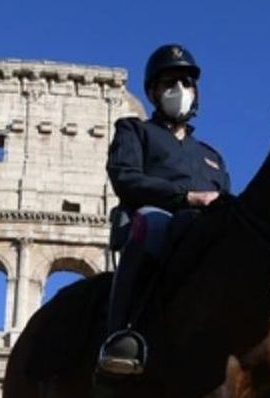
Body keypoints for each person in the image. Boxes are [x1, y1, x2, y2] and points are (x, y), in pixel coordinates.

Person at [98, 43, 231, 377]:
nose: (179, 91)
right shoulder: (135, 131)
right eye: (169, 83)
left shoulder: (211, 154)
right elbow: (125, 177)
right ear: (154, 92)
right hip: (159, 218)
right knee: (151, 225)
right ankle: (120, 333)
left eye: (186, 83)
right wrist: (186, 197)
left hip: (209, 229)